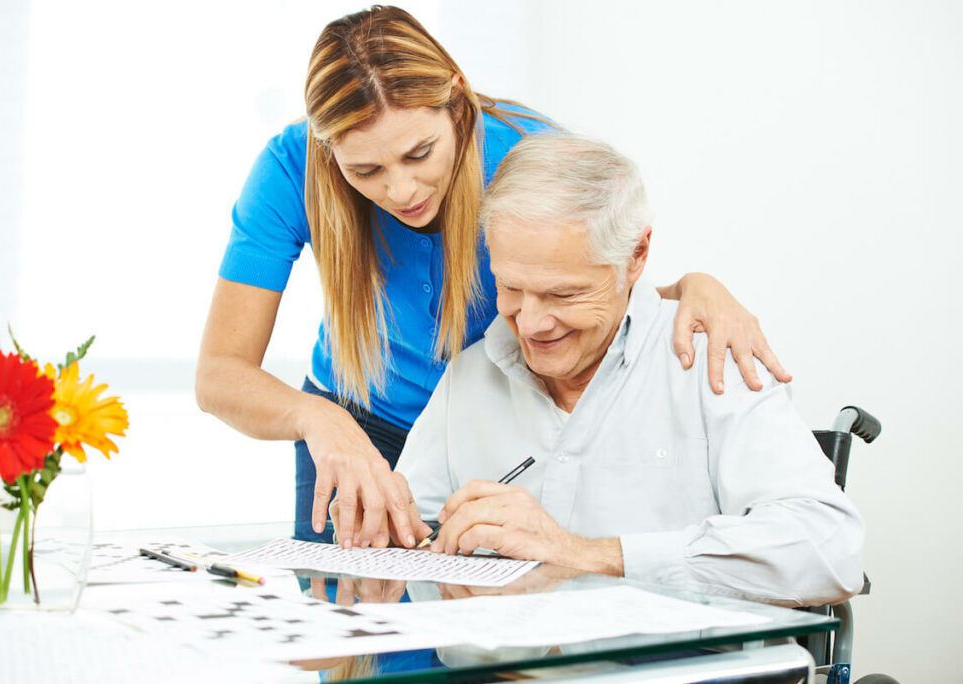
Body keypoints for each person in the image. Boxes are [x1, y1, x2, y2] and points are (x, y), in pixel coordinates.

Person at [195, 5, 791, 553]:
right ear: (329, 152)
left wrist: (691, 286)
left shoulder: (533, 155)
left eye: (419, 153)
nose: (399, 191)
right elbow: (220, 374)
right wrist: (322, 419)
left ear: (456, 102)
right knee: (355, 643)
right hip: (352, 432)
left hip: (489, 434)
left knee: (486, 641)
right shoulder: (289, 169)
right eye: (365, 170)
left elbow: (594, 291)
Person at [394, 135, 865, 606]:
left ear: (636, 257)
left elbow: (828, 549)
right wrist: (382, 524)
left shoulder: (712, 365)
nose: (532, 324)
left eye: (564, 294)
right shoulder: (471, 376)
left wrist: (588, 554)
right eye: (510, 287)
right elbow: (410, 536)